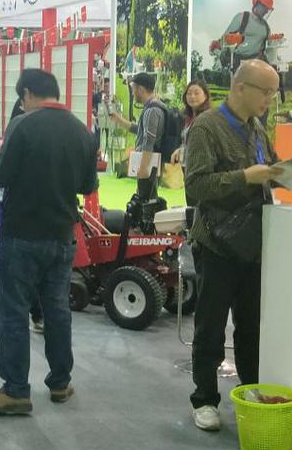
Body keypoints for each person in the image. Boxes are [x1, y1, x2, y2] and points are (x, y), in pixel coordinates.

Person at [0, 69, 98, 416]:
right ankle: (60, 382)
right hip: (62, 236)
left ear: (27, 94)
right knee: (57, 311)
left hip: (22, 234)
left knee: (13, 311)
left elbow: (1, 176)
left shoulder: (22, 126)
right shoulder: (82, 131)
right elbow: (87, 186)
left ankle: (15, 390)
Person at [183, 59, 283, 431]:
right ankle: (205, 398)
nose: (269, 100)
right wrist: (244, 177)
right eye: (265, 92)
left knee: (251, 325)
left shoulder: (256, 128)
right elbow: (196, 187)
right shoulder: (206, 127)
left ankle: (250, 391)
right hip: (217, 244)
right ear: (240, 87)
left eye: (273, 93)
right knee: (210, 326)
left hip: (254, 244)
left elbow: (270, 167)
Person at [0, 98, 45, 335]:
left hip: (15, 220)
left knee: (15, 274)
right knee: (38, 275)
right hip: (48, 224)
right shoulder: (47, 139)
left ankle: (14, 312)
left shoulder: (8, 140)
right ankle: (39, 315)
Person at [114, 73, 176, 199]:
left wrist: (143, 167)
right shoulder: (156, 106)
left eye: (133, 89)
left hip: (149, 164)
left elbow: (149, 141)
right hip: (153, 162)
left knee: (146, 200)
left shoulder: (151, 110)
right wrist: (119, 120)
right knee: (149, 198)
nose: (133, 93)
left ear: (140, 89)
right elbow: (140, 130)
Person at [220, 0, 274, 72]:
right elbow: (225, 39)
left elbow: (270, 47)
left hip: (256, 63)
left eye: (267, 9)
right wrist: (223, 55)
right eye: (264, 7)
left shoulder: (266, 27)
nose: (266, 11)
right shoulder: (242, 18)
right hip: (238, 62)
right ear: (256, 3)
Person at [171, 79, 212, 165]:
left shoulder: (208, 118)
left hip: (200, 166)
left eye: (196, 93)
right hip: (185, 165)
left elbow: (204, 147)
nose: (192, 96)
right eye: (189, 94)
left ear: (205, 96)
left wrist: (182, 150)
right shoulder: (186, 117)